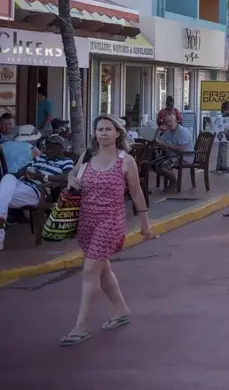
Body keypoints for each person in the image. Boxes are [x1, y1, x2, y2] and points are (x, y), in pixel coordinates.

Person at [60, 115, 154, 346]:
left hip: (110, 221)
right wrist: (72, 180)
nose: (103, 133)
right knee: (102, 269)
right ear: (94, 133)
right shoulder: (88, 156)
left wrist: (145, 222)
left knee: (90, 269)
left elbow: (136, 192)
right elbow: (72, 174)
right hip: (86, 220)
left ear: (117, 133)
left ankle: (80, 326)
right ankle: (120, 309)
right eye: (99, 129)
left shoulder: (126, 160)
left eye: (107, 129)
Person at [0, 134, 74, 251]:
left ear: (60, 148)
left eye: (51, 147)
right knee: (8, 178)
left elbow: (66, 177)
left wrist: (43, 177)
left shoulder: (66, 161)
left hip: (37, 191)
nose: (47, 150)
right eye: (46, 147)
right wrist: (21, 175)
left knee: (2, 194)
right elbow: (23, 170)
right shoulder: (41, 157)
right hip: (21, 185)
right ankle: (1, 225)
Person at [150, 113, 194, 192]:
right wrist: (158, 131)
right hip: (173, 156)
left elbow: (182, 149)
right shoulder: (169, 131)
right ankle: (174, 181)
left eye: (170, 121)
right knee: (153, 164)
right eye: (166, 122)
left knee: (163, 165)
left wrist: (166, 146)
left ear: (176, 121)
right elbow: (156, 142)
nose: (169, 124)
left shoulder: (182, 131)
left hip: (185, 157)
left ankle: (174, 182)